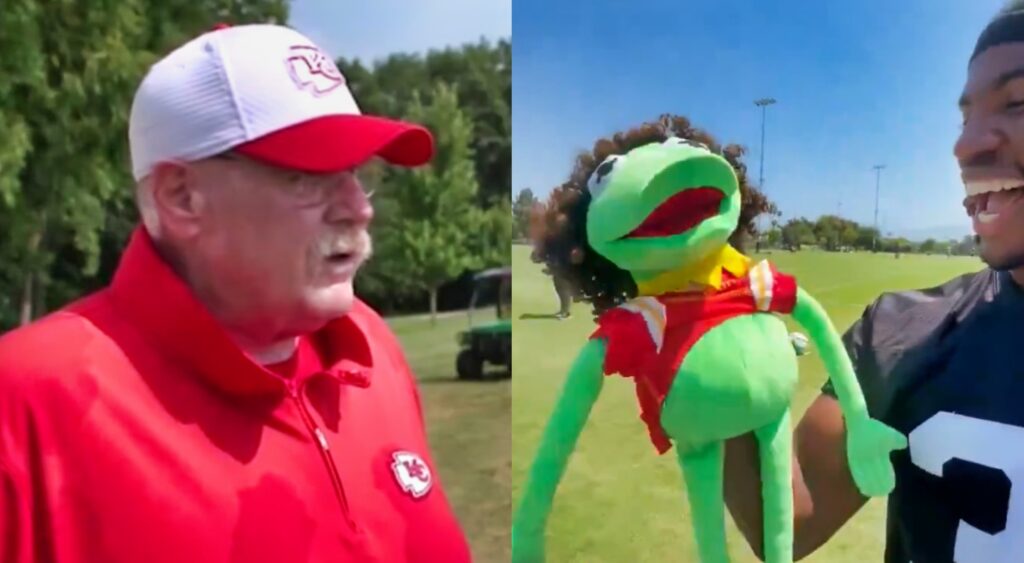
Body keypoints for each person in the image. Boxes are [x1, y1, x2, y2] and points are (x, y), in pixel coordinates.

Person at [0, 24, 471, 563]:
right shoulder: (25, 404)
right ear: (181, 198)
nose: (358, 208)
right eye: (308, 177)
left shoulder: (372, 347)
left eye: (354, 173)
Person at [723, 3, 1024, 562]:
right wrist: (720, 379)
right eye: (965, 119)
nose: (966, 146)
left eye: (1018, 103)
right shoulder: (903, 333)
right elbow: (785, 527)